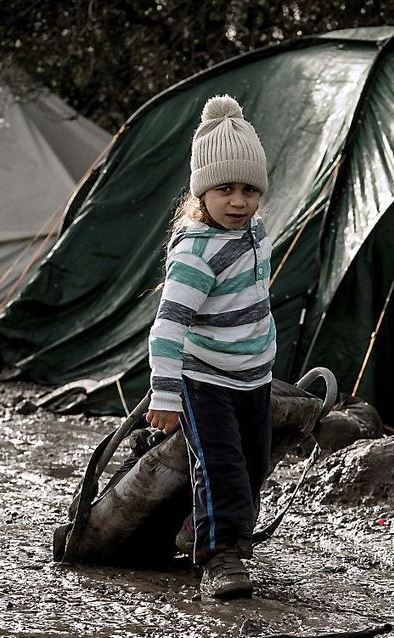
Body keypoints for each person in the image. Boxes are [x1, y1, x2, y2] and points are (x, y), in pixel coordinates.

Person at [145, 94, 275, 601]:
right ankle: (222, 559)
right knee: (221, 466)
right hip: (205, 380)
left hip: (253, 376)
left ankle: (198, 528)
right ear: (203, 192)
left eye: (249, 189)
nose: (238, 202)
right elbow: (167, 328)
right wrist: (165, 393)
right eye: (225, 190)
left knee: (253, 464)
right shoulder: (197, 254)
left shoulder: (255, 232)